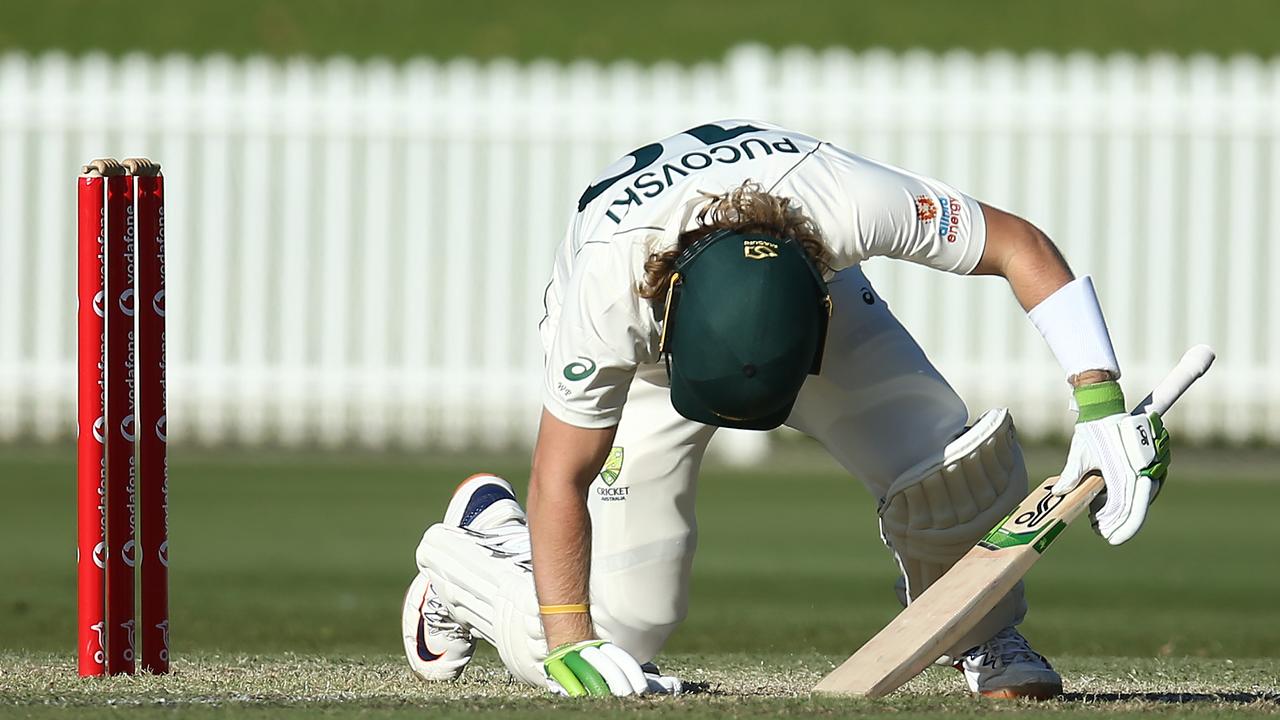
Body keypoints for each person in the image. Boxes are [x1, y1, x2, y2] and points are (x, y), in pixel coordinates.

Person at [400, 120, 1171, 699]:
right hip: (649, 363)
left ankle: (983, 633)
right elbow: (560, 475)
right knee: (613, 638)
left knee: (940, 455)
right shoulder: (608, 300)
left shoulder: (842, 199)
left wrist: (1099, 403)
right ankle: (477, 556)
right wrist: (570, 640)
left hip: (812, 300)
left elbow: (1019, 245)